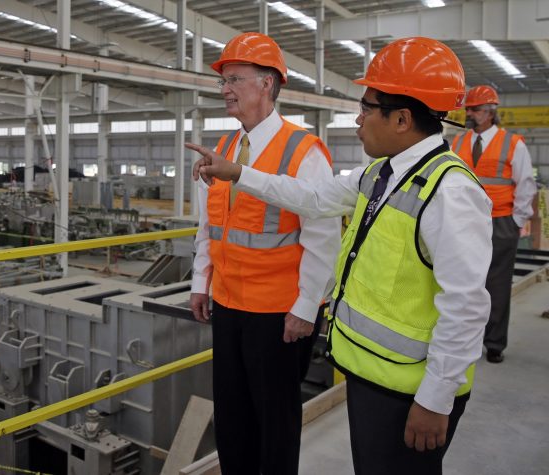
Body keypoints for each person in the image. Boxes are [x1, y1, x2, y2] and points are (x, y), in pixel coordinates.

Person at [187, 37, 492, 475]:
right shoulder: (380, 174)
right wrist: (237, 172)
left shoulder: (451, 193)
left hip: (410, 388)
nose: (357, 118)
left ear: (402, 118)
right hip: (372, 373)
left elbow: (465, 308)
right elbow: (310, 197)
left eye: (367, 108)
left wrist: (435, 399)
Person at [188, 32, 340, 474]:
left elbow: (323, 238)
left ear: (268, 84)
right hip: (229, 305)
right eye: (223, 81)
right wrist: (202, 281)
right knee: (233, 418)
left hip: (279, 315)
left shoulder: (303, 151)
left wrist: (306, 307)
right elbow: (209, 224)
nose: (225, 89)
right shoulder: (228, 148)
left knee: (275, 422)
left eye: (235, 78)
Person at [451, 85, 537, 363]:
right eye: (468, 109)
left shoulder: (513, 143)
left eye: (475, 109)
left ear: (490, 112)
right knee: (461, 282)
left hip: (501, 221)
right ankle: (464, 340)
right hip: (463, 222)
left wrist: (516, 221)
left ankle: (495, 344)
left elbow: (525, 184)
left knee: (497, 284)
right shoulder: (458, 143)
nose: (470, 113)